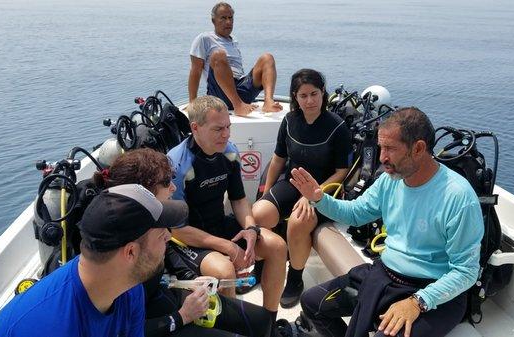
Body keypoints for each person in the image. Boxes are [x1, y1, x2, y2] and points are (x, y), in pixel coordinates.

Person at [290, 107, 484, 337]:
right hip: (385, 274)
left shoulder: (458, 197)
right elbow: (355, 213)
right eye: (381, 147)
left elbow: (466, 271)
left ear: (419, 148)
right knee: (312, 303)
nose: (382, 158)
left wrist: (417, 302)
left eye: (390, 149)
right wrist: (318, 198)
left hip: (432, 292)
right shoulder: (390, 180)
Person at [95, 148, 271, 337]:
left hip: (169, 301)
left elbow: (168, 252)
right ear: (143, 190)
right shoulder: (117, 245)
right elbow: (120, 330)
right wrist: (181, 317)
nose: (173, 187)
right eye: (166, 182)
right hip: (161, 323)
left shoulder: (154, 220)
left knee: (262, 319)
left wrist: (191, 281)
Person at [0, 184, 189, 337]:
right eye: (161, 233)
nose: (168, 237)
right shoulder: (49, 327)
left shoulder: (128, 288)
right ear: (130, 253)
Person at [167, 95, 287, 332]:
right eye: (218, 129)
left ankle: (267, 325)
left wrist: (250, 228)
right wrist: (228, 247)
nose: (226, 135)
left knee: (277, 246)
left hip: (218, 226)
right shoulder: (178, 164)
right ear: (195, 128)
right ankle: (233, 331)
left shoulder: (229, 152)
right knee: (224, 270)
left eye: (228, 127)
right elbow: (177, 228)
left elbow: (239, 199)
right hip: (186, 240)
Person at [251, 68, 352, 308]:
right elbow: (278, 159)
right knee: (258, 214)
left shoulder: (337, 128)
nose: (309, 101)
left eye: (314, 94)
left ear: (323, 93)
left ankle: (295, 279)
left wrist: (312, 195)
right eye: (303, 95)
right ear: (295, 97)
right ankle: (262, 262)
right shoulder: (289, 121)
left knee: (298, 222)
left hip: (322, 191)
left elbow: (342, 172)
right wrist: (265, 194)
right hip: (292, 182)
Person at [188, 2, 283, 117]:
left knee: (267, 58)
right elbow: (195, 70)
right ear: (213, 20)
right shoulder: (204, 39)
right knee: (218, 54)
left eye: (230, 18)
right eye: (223, 18)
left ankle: (268, 101)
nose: (228, 22)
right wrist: (193, 102)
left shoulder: (234, 41)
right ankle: (238, 105)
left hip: (241, 89)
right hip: (219, 93)